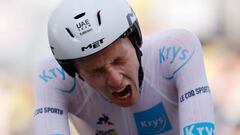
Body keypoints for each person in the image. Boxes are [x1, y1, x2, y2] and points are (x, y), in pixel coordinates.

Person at [33, 0, 215, 134]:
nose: (115, 80)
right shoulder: (53, 77)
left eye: (119, 60)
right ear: (75, 73)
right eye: (96, 71)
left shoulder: (176, 48)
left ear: (136, 42)